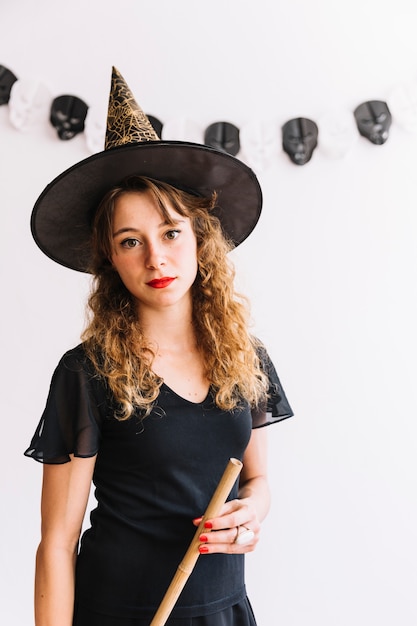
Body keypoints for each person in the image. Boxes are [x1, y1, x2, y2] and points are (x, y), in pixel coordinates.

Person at [25, 67, 293, 626]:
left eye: (171, 233)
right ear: (110, 261)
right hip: (121, 612)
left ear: (200, 238)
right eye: (131, 241)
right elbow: (56, 542)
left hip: (224, 611)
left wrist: (250, 514)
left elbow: (258, 479)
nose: (156, 258)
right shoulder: (87, 373)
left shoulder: (245, 354)